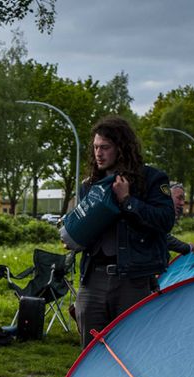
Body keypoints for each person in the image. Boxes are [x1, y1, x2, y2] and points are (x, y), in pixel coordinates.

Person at [73, 116, 176, 349]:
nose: (99, 153)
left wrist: (128, 200)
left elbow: (165, 220)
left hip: (133, 280)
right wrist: (74, 237)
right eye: (96, 147)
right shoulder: (89, 185)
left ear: (121, 148)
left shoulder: (151, 179)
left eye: (105, 148)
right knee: (90, 353)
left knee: (131, 350)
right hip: (93, 278)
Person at [166, 182, 194, 256]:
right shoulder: (154, 213)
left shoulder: (167, 217)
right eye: (179, 198)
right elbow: (164, 239)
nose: (182, 203)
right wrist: (189, 247)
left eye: (183, 200)